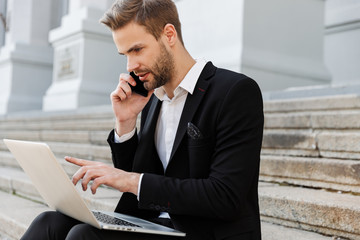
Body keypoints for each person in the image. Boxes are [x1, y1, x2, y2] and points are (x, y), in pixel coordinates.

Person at [21, 0, 264, 239]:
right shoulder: (153, 98)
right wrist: (125, 123)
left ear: (169, 35)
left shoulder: (234, 91)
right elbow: (138, 178)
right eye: (125, 54)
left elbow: (225, 196)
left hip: (204, 230)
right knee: (49, 222)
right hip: (154, 224)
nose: (131, 66)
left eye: (137, 50)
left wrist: (130, 180)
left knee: (84, 236)